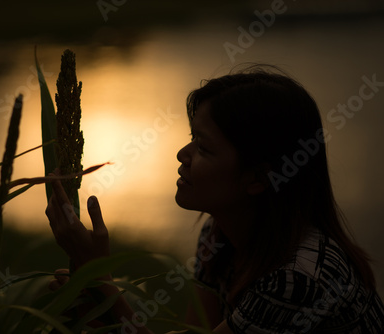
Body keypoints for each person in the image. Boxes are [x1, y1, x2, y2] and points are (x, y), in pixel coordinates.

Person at [46, 65, 384, 333]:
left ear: (256, 178)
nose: (182, 154)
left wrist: (98, 279)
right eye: (192, 138)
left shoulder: (296, 279)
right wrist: (104, 312)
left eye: (204, 148)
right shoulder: (219, 234)